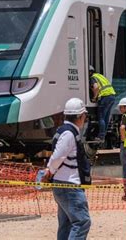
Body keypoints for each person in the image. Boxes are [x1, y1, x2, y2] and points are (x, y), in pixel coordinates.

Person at [45, 98, 91, 239]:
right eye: (85, 115)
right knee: (82, 222)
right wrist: (49, 172)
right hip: (69, 185)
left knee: (67, 224)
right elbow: (57, 157)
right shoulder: (69, 134)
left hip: (64, 184)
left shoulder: (65, 131)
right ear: (80, 116)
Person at [89, 65, 116, 142]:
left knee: (101, 117)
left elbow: (96, 87)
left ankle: (101, 136)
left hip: (105, 97)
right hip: (112, 96)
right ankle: (103, 135)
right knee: (106, 117)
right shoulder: (100, 75)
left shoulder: (93, 78)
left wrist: (94, 97)